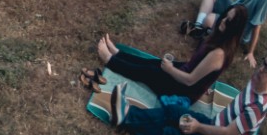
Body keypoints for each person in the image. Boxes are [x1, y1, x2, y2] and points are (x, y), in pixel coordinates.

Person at [108, 45, 267, 135]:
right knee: (173, 112)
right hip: (214, 124)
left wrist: (198, 127)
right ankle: (126, 114)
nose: (262, 69)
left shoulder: (257, 107)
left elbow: (225, 133)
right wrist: (244, 131)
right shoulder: (256, 81)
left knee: (169, 133)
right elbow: (242, 124)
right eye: (264, 62)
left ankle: (126, 117)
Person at [83, 6, 249, 101]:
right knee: (152, 63)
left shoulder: (219, 53)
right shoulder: (220, 38)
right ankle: (118, 54)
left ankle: (110, 60)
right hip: (186, 71)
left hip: (183, 91)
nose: (223, 21)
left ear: (233, 29)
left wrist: (170, 70)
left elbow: (190, 81)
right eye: (225, 17)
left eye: (228, 21)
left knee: (148, 72)